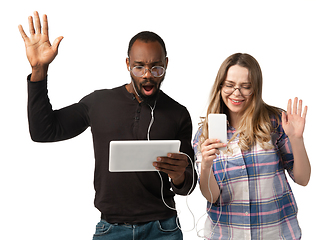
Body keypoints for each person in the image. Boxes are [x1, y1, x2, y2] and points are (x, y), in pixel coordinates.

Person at [19, 11, 197, 240]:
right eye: (139, 67)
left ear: (166, 64)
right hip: (112, 229)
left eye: (156, 68)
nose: (148, 76)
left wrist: (181, 175)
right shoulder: (99, 103)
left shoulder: (179, 113)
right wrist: (39, 71)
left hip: (163, 229)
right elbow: (44, 131)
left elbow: (188, 185)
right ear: (127, 64)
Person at [193, 53, 311, 240]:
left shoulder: (275, 122)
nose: (236, 93)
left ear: (256, 88)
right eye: (230, 85)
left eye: (245, 87)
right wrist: (206, 166)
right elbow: (212, 197)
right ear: (220, 86)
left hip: (276, 233)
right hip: (227, 234)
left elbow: (303, 179)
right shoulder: (205, 134)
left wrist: (297, 138)